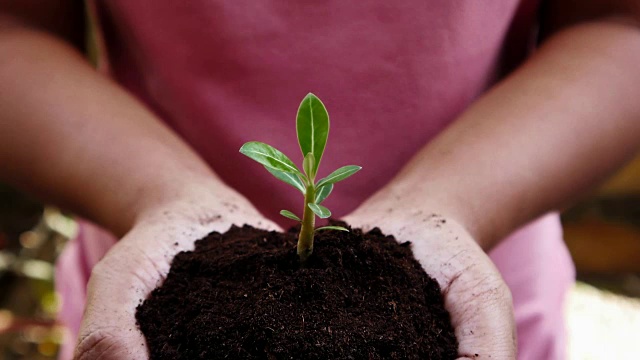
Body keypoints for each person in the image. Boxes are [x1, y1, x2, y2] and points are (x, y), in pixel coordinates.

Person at [1, 1, 640, 359]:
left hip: (477, 294)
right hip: (148, 288)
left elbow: (619, 24)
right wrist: (157, 196)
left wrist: (450, 205)